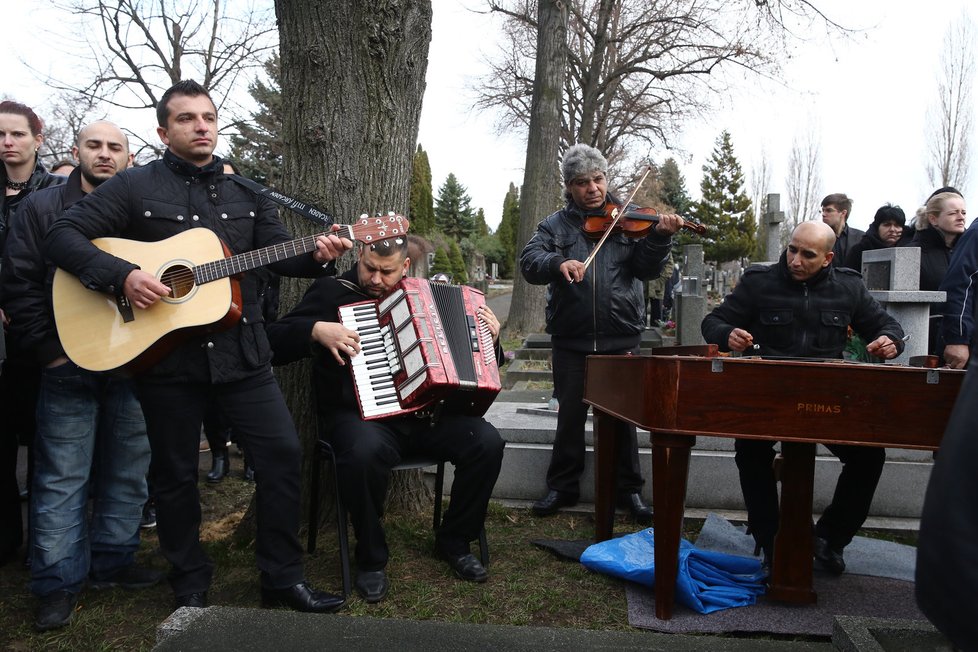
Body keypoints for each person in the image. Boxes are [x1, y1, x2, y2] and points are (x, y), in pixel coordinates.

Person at [43, 80, 350, 613]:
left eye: (208, 117)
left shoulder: (249, 192)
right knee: (174, 473)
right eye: (186, 119)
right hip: (166, 359)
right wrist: (122, 276)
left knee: (281, 456)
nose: (201, 126)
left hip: (244, 354)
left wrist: (319, 254)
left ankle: (281, 578)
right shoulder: (133, 187)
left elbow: (281, 255)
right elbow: (62, 235)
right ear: (164, 131)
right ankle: (189, 579)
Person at [266, 237, 505, 603]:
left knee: (487, 443)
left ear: (405, 267)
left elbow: (481, 362)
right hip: (362, 418)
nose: (376, 279)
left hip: (427, 417)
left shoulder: (428, 294)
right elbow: (274, 343)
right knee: (362, 454)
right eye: (369, 268)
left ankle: (455, 540)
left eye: (387, 271)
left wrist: (492, 338)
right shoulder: (332, 292)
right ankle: (371, 557)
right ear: (359, 257)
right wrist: (314, 329)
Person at [1, 121, 162, 631]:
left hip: (132, 359)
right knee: (61, 476)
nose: (105, 154)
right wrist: (50, 353)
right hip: (65, 363)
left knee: (128, 471)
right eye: (94, 145)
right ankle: (56, 582)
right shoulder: (41, 208)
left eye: (116, 147)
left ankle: (114, 561)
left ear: (129, 157)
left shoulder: (144, 214)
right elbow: (19, 285)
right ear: (76, 150)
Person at [701, 221, 905, 574]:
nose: (794, 260)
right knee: (751, 452)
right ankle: (770, 538)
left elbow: (887, 326)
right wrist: (727, 334)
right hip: (767, 396)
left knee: (869, 457)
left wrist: (891, 341)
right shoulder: (758, 282)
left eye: (807, 254)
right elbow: (714, 322)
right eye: (791, 249)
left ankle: (829, 539)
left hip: (827, 398)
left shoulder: (849, 287)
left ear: (827, 258)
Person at [519, 143, 682, 522]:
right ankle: (562, 487)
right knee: (570, 417)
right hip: (572, 339)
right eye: (582, 182)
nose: (592, 188)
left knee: (624, 419)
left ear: (606, 178)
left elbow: (645, 270)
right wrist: (558, 261)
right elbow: (530, 262)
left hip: (620, 336)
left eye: (598, 179)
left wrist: (659, 238)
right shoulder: (554, 226)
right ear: (570, 187)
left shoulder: (629, 220)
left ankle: (630, 492)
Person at [0, 101, 65, 568]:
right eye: (0, 135)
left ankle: (45, 548)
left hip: (40, 331)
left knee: (48, 444)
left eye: (17, 134)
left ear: (37, 139)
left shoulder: (54, 192)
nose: (8, 142)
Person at [906, 190, 966, 357]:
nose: (961, 217)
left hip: (965, 340)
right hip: (925, 345)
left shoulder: (967, 252)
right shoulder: (913, 254)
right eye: (953, 213)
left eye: (963, 212)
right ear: (933, 219)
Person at [843, 203, 909, 269]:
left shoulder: (910, 250)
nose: (892, 229)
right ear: (877, 227)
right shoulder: (860, 250)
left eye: (897, 226)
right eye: (887, 225)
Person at [820, 193, 864, 267]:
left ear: (843, 213)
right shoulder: (817, 237)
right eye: (822, 210)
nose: (823, 214)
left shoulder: (861, 238)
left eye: (828, 210)